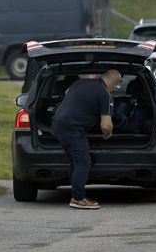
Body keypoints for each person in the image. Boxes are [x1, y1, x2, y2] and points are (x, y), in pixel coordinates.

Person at [50, 70, 120, 210]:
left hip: (57, 123)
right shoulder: (105, 94)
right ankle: (77, 198)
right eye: (117, 85)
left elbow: (67, 92)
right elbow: (105, 125)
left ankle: (77, 194)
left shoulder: (80, 82)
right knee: (83, 161)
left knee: (75, 160)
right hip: (71, 128)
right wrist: (108, 133)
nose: (116, 89)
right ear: (114, 84)